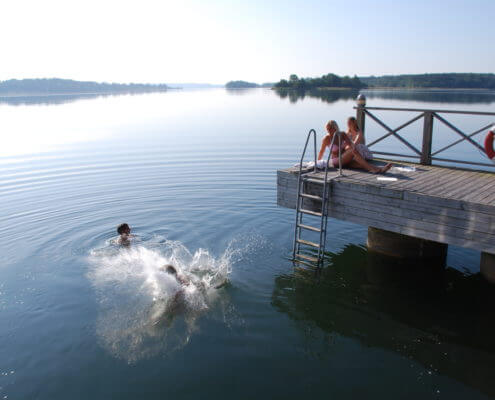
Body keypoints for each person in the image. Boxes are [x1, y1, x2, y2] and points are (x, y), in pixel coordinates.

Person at [318, 120, 392, 174]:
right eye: (327, 129)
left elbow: (351, 144)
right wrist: (317, 163)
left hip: (345, 160)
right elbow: (321, 151)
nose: (329, 131)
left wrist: (352, 148)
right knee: (352, 152)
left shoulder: (342, 134)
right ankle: (375, 169)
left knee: (361, 164)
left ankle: (380, 169)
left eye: (330, 129)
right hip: (336, 161)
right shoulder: (327, 138)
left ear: (335, 128)